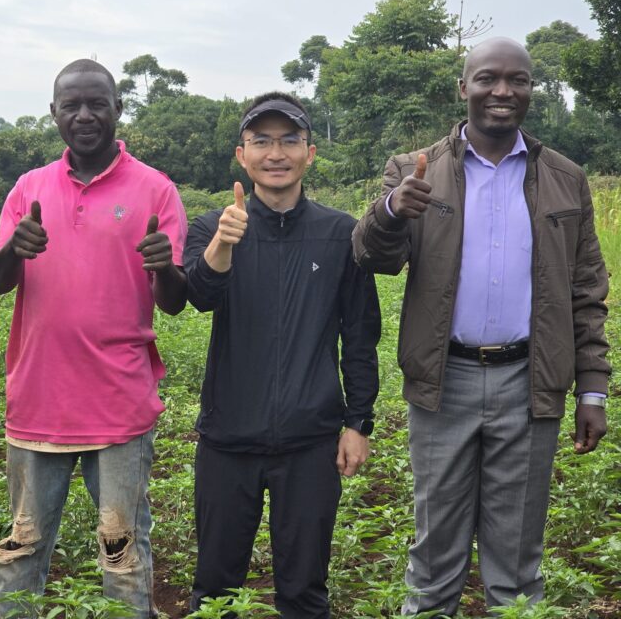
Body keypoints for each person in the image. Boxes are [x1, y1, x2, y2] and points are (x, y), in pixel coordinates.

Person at [352, 37, 610, 616]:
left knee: (516, 562)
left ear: (530, 91)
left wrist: (593, 389)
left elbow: (586, 291)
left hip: (529, 384)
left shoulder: (566, 179)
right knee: (434, 555)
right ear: (462, 87)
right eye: (489, 78)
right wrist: (392, 210)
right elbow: (371, 257)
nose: (503, 91)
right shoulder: (415, 170)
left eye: (517, 80)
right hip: (446, 384)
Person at [0, 58, 187, 619]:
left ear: (118, 110)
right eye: (71, 105)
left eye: (97, 102)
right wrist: (11, 250)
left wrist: (165, 267)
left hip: (119, 405)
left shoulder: (156, 190)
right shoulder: (29, 189)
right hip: (38, 402)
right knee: (20, 552)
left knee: (122, 555)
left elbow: (172, 301)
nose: (84, 115)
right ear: (53, 114)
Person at [184, 93, 381, 619]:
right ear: (241, 154)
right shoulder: (211, 227)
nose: (276, 153)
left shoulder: (341, 233)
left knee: (304, 591)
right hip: (227, 440)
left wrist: (358, 421)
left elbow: (360, 336)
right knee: (214, 589)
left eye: (289, 141)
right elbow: (199, 296)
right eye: (262, 141)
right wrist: (223, 246)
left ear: (309, 153)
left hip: (311, 443)